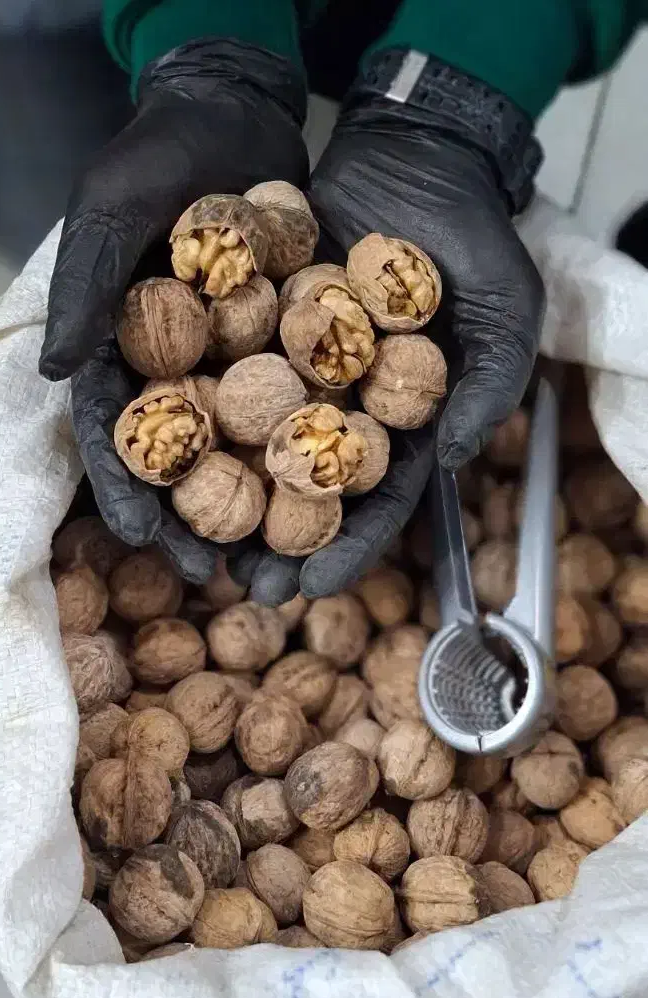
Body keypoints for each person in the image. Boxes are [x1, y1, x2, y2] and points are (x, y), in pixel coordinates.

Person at [39, 0, 648, 605]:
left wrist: (452, 101)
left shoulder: (312, 334)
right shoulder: (241, 340)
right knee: (39, 171)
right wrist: (206, 38)